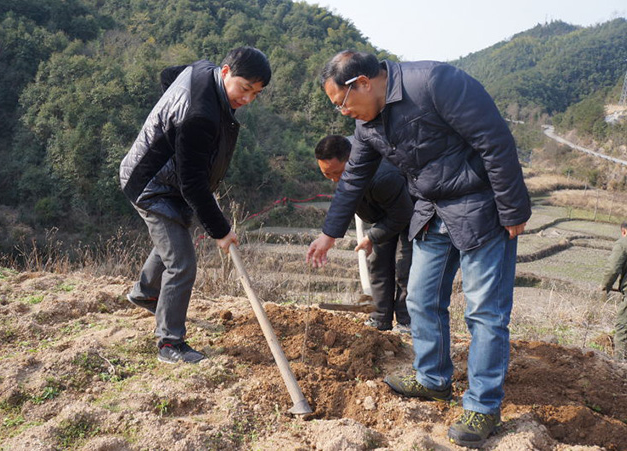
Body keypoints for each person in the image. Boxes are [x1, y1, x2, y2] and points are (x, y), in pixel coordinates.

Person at [306, 50, 530, 448]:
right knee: (422, 299)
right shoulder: (368, 127)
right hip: (431, 210)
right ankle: (432, 378)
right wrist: (329, 234)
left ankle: (482, 404)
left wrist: (512, 207)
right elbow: (353, 178)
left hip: (480, 206)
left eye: (341, 102)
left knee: (484, 312)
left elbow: (494, 140)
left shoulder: (433, 82)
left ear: (362, 83)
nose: (342, 112)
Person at [119, 47, 271, 364]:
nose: (247, 100)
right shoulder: (199, 115)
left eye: (255, 93)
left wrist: (172, 130)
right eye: (245, 89)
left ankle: (146, 292)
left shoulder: (204, 70)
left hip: (167, 179)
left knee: (173, 240)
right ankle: (169, 344)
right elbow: (192, 185)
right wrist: (221, 230)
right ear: (226, 72)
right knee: (182, 263)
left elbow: (168, 76)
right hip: (153, 185)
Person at [315, 135, 413, 332]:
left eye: (338, 173)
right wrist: (329, 235)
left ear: (351, 159)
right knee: (378, 263)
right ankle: (380, 319)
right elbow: (345, 200)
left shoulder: (383, 176)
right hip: (383, 212)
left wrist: (372, 236)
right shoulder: (349, 170)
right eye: (327, 175)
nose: (335, 180)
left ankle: (406, 322)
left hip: (411, 212)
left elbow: (402, 215)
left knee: (405, 267)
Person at [600, 221, 627, 361]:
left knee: (623, 327)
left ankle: (619, 364)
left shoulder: (623, 243)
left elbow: (612, 268)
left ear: (624, 231)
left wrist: (606, 287)